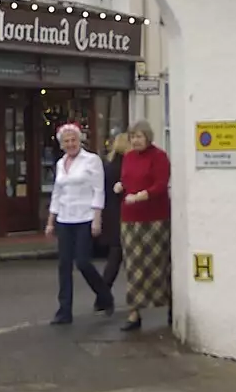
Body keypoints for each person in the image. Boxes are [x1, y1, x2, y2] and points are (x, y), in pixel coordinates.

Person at [44, 123, 112, 324]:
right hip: (65, 218)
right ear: (61, 144)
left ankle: (104, 294)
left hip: (85, 218)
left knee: (82, 262)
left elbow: (99, 190)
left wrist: (97, 218)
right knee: (64, 265)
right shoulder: (60, 164)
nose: (71, 144)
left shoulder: (91, 161)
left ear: (80, 140)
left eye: (73, 140)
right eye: (66, 141)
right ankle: (64, 310)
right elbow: (57, 193)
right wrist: (50, 222)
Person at [116, 120, 171, 332]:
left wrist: (141, 196)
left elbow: (160, 184)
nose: (136, 140)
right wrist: (121, 185)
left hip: (154, 219)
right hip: (130, 218)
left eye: (139, 136)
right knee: (133, 265)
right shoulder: (129, 157)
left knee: (157, 264)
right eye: (133, 137)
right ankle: (134, 313)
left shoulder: (159, 157)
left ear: (148, 137)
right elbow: (127, 179)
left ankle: (169, 306)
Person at [97, 132, 129, 306]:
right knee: (118, 257)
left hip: (110, 213)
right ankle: (103, 294)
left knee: (115, 257)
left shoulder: (108, 165)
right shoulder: (123, 166)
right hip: (121, 214)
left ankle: (102, 295)